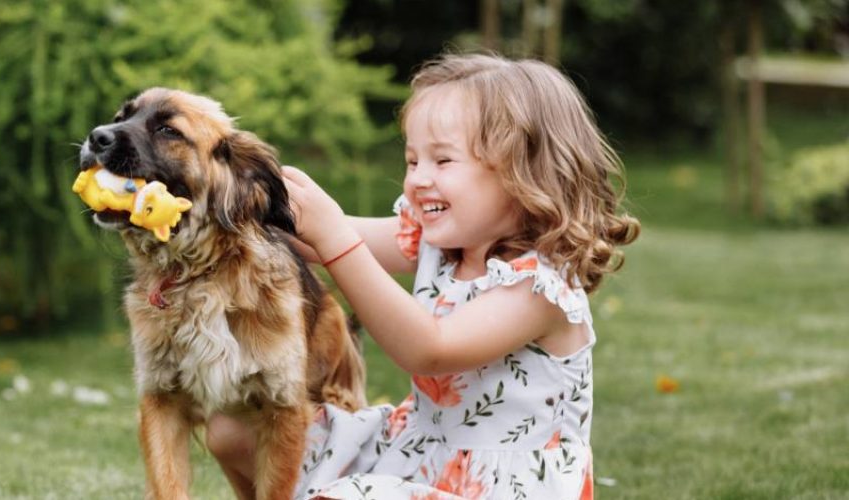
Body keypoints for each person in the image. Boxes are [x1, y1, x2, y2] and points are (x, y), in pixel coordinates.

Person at [205, 53, 641, 499]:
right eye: (414, 161)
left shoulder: (539, 287)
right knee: (235, 430)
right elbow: (314, 240)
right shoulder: (438, 242)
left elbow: (429, 350)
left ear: (522, 174)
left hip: (500, 488)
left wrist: (334, 234)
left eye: (443, 161)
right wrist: (236, 200)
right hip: (416, 451)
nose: (418, 180)